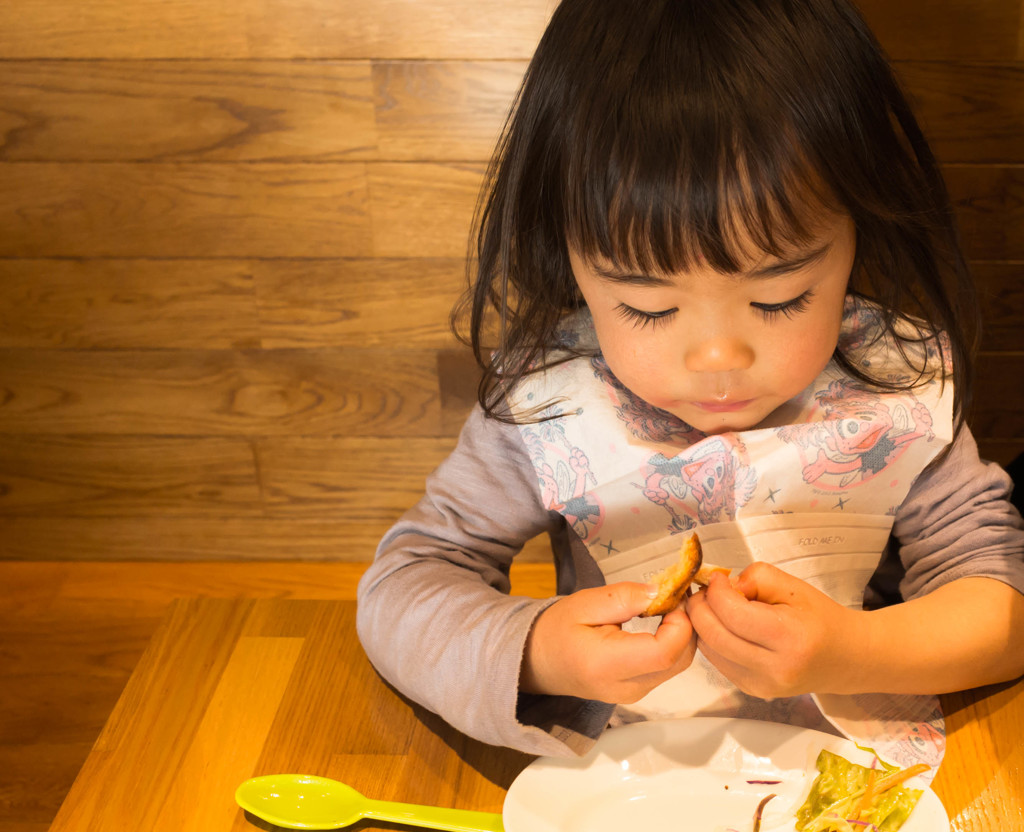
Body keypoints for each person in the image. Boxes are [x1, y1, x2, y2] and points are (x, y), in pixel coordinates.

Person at [357, 0, 1024, 758]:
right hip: (621, 800)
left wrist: (852, 649)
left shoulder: (895, 383)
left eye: (780, 298)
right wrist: (540, 648)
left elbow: (1003, 602)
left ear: (858, 235)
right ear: (568, 257)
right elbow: (403, 587)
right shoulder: (549, 407)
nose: (716, 358)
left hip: (853, 792)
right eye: (646, 307)